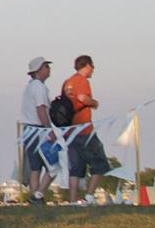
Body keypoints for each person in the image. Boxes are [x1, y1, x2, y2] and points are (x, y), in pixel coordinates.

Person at [61, 55, 110, 203]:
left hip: (69, 131)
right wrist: (94, 103)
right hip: (84, 129)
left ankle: (73, 200)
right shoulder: (82, 81)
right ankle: (89, 195)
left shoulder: (67, 82)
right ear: (87, 66)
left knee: (76, 167)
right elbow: (82, 98)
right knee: (100, 163)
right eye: (92, 66)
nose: (93, 70)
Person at [19, 55, 55, 202]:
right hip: (38, 130)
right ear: (39, 70)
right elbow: (41, 109)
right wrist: (48, 129)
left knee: (35, 167)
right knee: (54, 165)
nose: (49, 69)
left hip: (28, 130)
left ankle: (34, 196)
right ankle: (39, 193)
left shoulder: (29, 87)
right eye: (46, 66)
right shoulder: (39, 87)